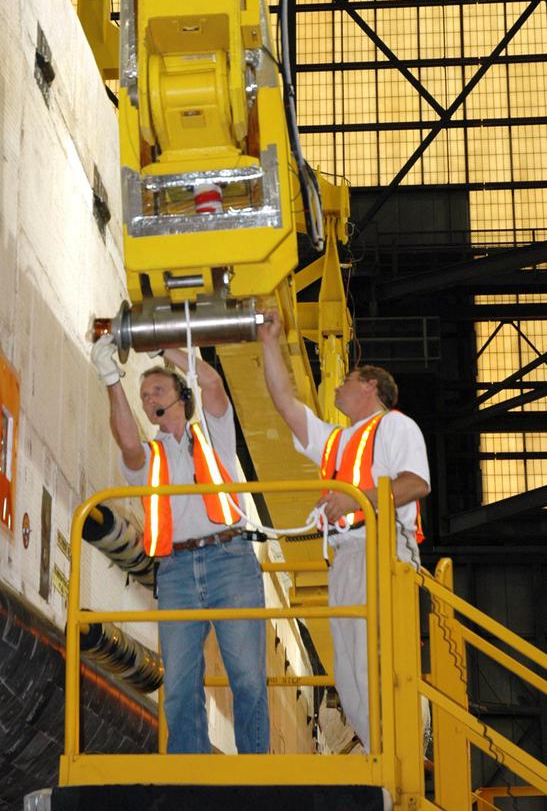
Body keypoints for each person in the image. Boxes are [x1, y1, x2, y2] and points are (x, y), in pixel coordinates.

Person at [257, 309, 430, 751]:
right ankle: (383, 758)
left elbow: (415, 483)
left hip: (383, 550)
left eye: (345, 380)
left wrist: (353, 498)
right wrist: (268, 341)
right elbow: (284, 403)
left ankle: (400, 752)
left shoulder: (396, 425)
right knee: (351, 670)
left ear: (370, 386)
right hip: (348, 558)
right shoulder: (337, 440)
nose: (336, 385)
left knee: (376, 659)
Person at [90, 335, 269, 754]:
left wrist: (159, 346)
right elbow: (128, 444)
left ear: (181, 396)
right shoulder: (149, 458)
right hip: (175, 572)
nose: (149, 398)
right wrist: (111, 378)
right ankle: (189, 770)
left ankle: (256, 772)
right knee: (180, 684)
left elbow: (213, 385)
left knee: (247, 677)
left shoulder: (213, 433)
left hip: (231, 561)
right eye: (144, 394)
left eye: (157, 390)